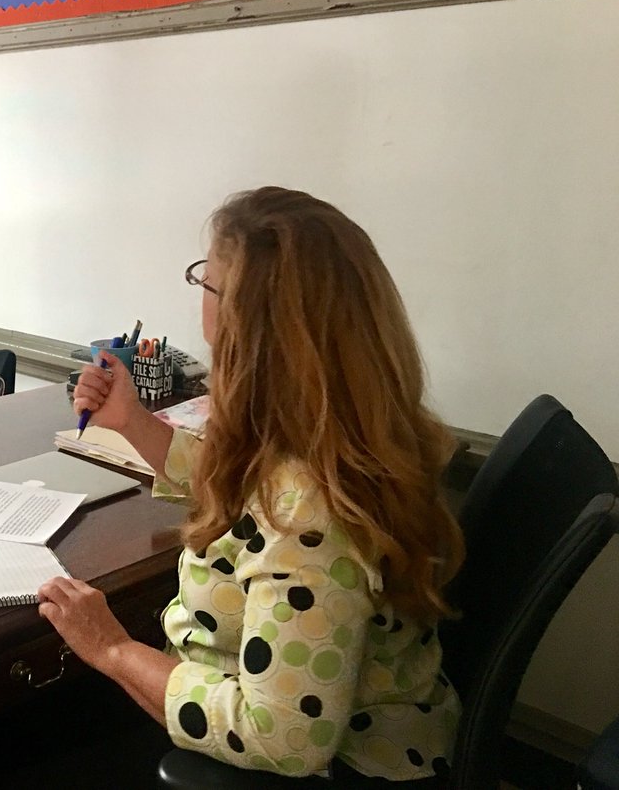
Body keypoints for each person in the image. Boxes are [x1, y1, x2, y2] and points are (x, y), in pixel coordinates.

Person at [37, 187, 465, 785]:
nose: (200, 300)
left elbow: (283, 736)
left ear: (250, 322)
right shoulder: (347, 428)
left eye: (206, 283)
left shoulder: (310, 519)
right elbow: (248, 492)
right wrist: (133, 423)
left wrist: (111, 649)